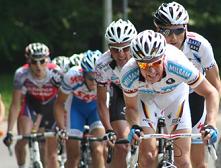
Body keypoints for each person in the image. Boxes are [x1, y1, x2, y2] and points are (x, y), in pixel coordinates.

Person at [120, 30, 219, 168]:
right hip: (147, 99)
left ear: (163, 58)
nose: (151, 71)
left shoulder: (177, 64)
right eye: (143, 65)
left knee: (183, 162)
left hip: (175, 97)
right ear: (136, 63)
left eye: (156, 63)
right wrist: (134, 126)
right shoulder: (128, 74)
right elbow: (131, 107)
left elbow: (210, 92)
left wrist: (211, 123)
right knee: (148, 157)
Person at [153, 2, 221, 167]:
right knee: (149, 154)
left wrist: (211, 120)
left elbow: (215, 84)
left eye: (178, 30)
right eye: (166, 31)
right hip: (159, 94)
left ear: (186, 28)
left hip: (193, 96)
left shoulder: (200, 46)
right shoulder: (150, 46)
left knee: (197, 162)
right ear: (157, 30)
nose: (173, 37)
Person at [3, 42, 62, 168]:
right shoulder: (21, 74)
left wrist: (63, 125)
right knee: (23, 140)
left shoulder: (56, 73)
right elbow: (15, 105)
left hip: (51, 107)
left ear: (48, 60)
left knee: (52, 155)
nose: (39, 66)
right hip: (32, 105)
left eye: (42, 61)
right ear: (28, 61)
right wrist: (9, 132)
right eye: (34, 62)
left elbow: (64, 101)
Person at [95, 18, 137, 168]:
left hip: (145, 94)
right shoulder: (102, 64)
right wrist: (108, 129)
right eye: (115, 49)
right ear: (108, 48)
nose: (120, 55)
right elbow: (101, 101)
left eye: (126, 48)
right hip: (121, 94)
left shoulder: (143, 56)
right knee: (122, 144)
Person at [54, 50, 105, 168]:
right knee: (73, 155)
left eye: (96, 78)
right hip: (75, 110)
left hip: (95, 109)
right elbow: (59, 104)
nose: (94, 82)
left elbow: (105, 103)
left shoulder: (106, 77)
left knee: (98, 150)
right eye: (90, 77)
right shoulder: (72, 76)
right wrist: (61, 128)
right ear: (83, 74)